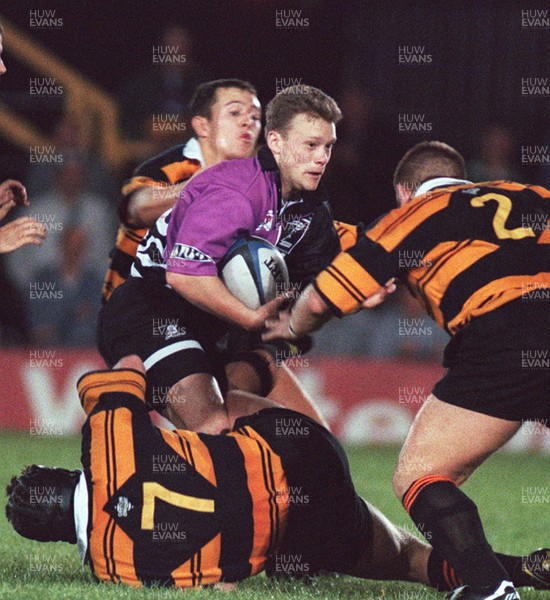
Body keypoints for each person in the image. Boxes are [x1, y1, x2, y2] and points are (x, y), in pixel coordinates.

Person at [263, 140, 550, 600]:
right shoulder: (532, 194)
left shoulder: (412, 216)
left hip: (503, 334)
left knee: (421, 473)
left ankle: (489, 588)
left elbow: (320, 298)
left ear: (403, 191)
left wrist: (290, 326)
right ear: (468, 181)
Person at [6, 356, 549, 592]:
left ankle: (516, 572)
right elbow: (125, 372)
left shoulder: (108, 567)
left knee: (409, 560)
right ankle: (266, 350)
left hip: (295, 541)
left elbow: (215, 583)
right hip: (302, 452)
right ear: (62, 473)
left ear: (59, 537)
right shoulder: (102, 446)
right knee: (200, 391)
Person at [98, 85, 343, 434]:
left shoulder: (312, 212)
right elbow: (185, 276)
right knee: (212, 424)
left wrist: (355, 296)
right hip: (153, 308)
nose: (321, 157)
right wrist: (250, 317)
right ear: (275, 142)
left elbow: (318, 290)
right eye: (310, 145)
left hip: (221, 325)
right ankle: (97, 478)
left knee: (312, 440)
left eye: (328, 146)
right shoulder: (235, 189)